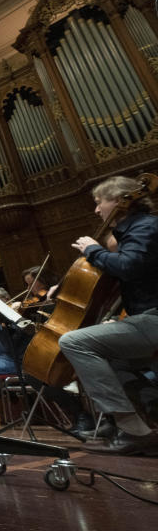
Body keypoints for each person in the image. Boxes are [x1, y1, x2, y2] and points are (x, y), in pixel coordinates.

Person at [60, 175, 158, 455]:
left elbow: (128, 266)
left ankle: (132, 429)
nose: (96, 209)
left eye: (98, 201)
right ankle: (130, 422)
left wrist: (92, 250)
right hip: (147, 318)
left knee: (74, 342)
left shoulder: (145, 227)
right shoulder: (137, 230)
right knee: (110, 356)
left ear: (118, 201)